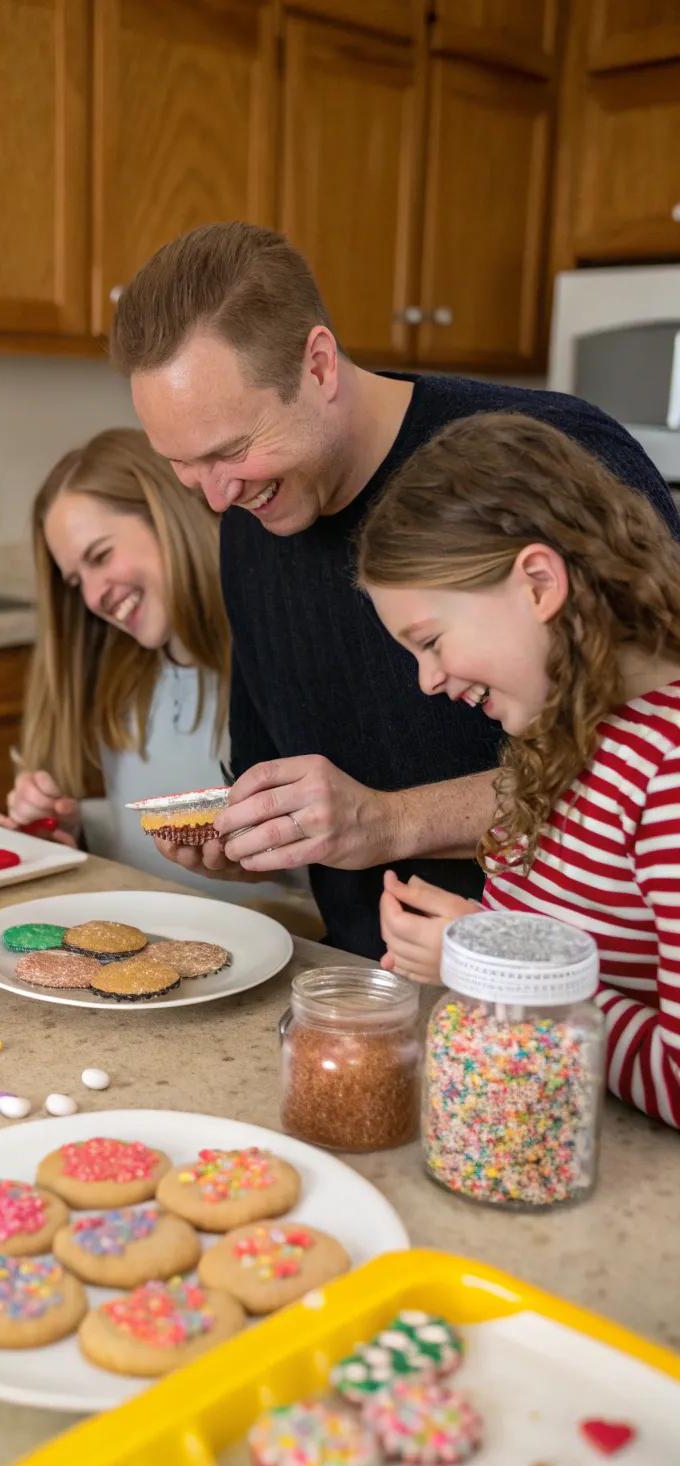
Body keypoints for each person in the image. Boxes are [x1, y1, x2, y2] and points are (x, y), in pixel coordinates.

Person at [109, 222, 680, 958]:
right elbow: (269, 765)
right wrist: (251, 834)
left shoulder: (540, 456)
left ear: (317, 364)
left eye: (231, 451)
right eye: (182, 465)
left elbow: (652, 751)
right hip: (363, 978)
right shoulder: (249, 521)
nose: (215, 497)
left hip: (554, 1006)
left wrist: (389, 821)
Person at [357, 411, 680, 1129]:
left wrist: (488, 964)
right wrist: (463, 952)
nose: (428, 681)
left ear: (538, 583)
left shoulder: (667, 779)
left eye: (432, 641)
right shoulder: (562, 739)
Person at [5, 428, 306, 910]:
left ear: (168, 515)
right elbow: (151, 839)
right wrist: (74, 823)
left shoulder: (281, 661)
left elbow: (332, 855)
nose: (92, 596)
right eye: (76, 580)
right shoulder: (125, 682)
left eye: (101, 556)